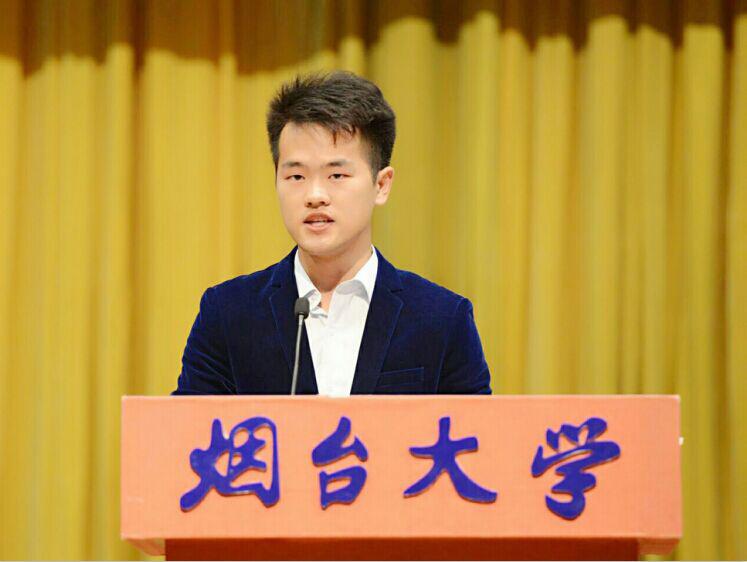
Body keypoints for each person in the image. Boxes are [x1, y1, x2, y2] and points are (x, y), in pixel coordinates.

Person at [173, 71, 491, 396]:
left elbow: (477, 428)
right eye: (296, 177)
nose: (315, 195)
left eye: (336, 175)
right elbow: (188, 427)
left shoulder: (442, 319)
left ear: (381, 185)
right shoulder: (228, 314)